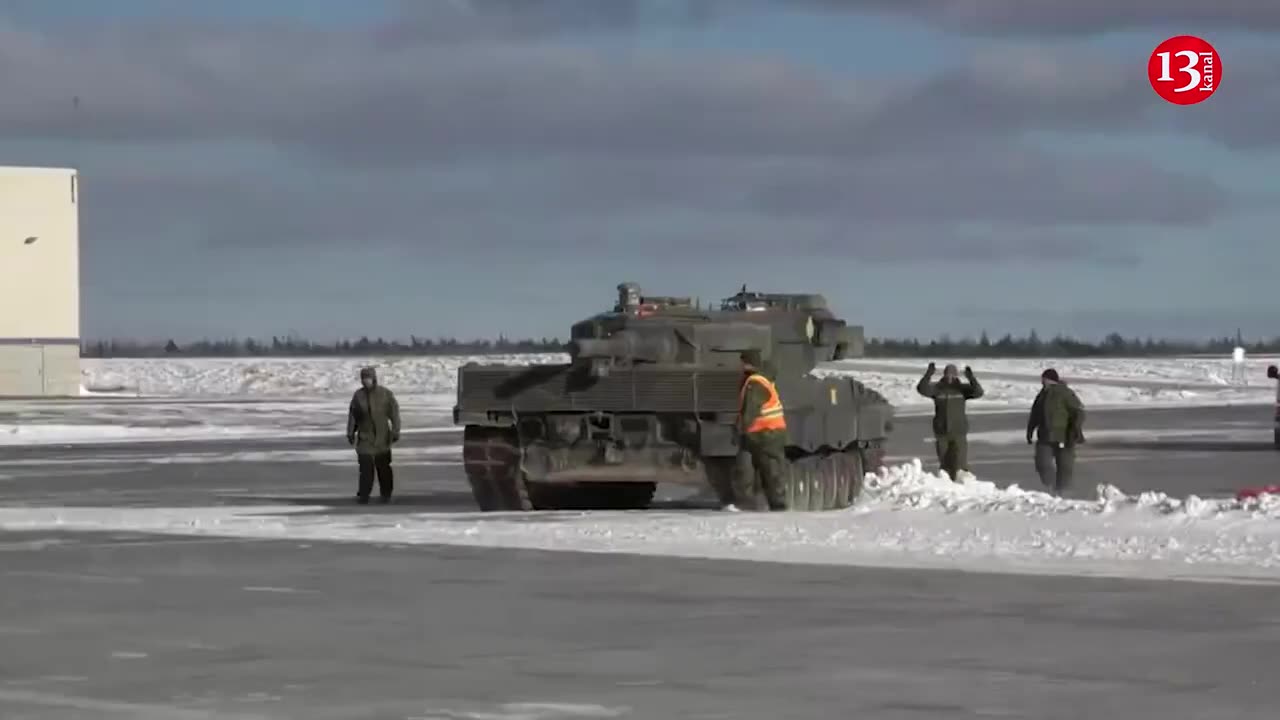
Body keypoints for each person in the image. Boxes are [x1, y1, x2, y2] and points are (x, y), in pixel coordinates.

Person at [733, 350, 789, 511]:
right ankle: (753, 505)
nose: (740, 365)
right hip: (760, 434)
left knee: (771, 472)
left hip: (766, 434)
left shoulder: (755, 384)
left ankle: (778, 508)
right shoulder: (759, 380)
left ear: (747, 363)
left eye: (742, 361)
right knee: (753, 472)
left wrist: (739, 429)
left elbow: (750, 411)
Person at [915, 362, 984, 481]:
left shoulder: (962, 389)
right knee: (945, 463)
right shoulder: (938, 389)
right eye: (947, 374)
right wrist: (929, 374)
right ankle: (947, 485)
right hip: (942, 432)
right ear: (944, 375)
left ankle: (963, 486)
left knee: (960, 463)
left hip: (958, 431)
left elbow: (978, 392)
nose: (950, 377)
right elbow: (922, 389)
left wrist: (971, 377)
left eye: (952, 375)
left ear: (956, 376)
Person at [346, 366, 402, 504]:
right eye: (364, 378)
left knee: (383, 468)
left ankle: (386, 494)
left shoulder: (385, 394)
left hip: (382, 437)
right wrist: (350, 432)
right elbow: (353, 415)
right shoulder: (358, 396)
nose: (366, 381)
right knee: (365, 468)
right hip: (365, 437)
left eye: (368, 378)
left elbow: (394, 414)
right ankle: (364, 495)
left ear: (374, 378)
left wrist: (396, 430)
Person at [1025, 368, 1086, 495]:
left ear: (1049, 379)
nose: (1042, 381)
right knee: (1042, 463)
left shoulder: (1065, 393)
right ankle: (1051, 488)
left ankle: (1062, 493)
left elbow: (1079, 411)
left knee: (1065, 467)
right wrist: (1030, 430)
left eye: (1044, 379)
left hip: (1064, 436)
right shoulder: (1042, 395)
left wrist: (1075, 429)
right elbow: (1035, 414)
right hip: (1045, 436)